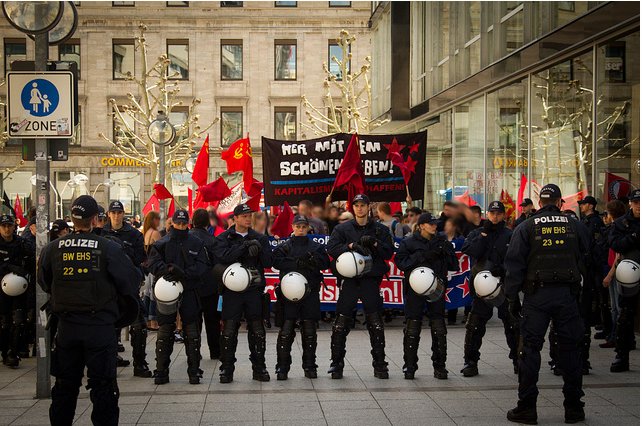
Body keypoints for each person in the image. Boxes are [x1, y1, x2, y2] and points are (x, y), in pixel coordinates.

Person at [38, 195, 141, 426]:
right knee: (103, 387)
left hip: (67, 328)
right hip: (100, 328)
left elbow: (44, 281)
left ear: (72, 219)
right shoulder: (108, 248)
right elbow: (130, 280)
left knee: (65, 386)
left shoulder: (52, 249)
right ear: (96, 219)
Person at [504, 184, 589, 424]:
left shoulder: (526, 227)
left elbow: (513, 266)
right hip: (567, 295)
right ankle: (574, 408)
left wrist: (512, 299)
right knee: (571, 350)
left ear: (539, 202)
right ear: (561, 202)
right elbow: (588, 255)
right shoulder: (575, 225)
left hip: (537, 297)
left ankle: (527, 407)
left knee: (529, 351)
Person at [326, 194, 394, 379]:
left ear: (368, 207)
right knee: (341, 323)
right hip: (349, 280)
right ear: (352, 207)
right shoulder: (343, 228)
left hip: (370, 280)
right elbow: (331, 248)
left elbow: (389, 252)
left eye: (363, 205)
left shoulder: (379, 229)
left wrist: (374, 243)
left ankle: (380, 365)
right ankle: (336, 364)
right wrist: (350, 246)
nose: (359, 208)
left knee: (375, 323)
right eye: (356, 205)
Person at [147, 209, 210, 384]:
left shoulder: (196, 242)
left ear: (188, 223)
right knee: (165, 329)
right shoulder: (162, 242)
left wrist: (184, 273)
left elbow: (203, 266)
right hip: (167, 290)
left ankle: (194, 370)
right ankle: (161, 371)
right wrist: (167, 270)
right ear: (173, 223)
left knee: (192, 331)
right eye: (178, 223)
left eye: (184, 224)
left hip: (189, 289)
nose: (181, 227)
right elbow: (151, 263)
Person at [213, 203, 273, 383]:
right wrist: (244, 247)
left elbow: (269, 261)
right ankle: (227, 369)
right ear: (235, 218)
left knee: (257, 330)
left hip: (253, 290)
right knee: (229, 330)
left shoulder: (260, 238)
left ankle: (259, 367)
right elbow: (222, 257)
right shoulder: (225, 237)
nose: (248, 218)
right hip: (232, 291)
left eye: (250, 215)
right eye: (244, 215)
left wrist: (259, 249)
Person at [394, 213, 458, 379]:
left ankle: (440, 366)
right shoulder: (409, 242)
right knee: (412, 327)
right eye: (430, 224)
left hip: (436, 288)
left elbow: (454, 265)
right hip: (415, 289)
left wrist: (446, 251)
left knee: (438, 328)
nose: (434, 226)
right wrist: (422, 256)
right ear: (422, 225)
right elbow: (401, 263)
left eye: (435, 224)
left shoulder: (442, 241)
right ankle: (409, 366)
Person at [461, 201, 518, 377]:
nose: (495, 216)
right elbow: (471, 250)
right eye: (492, 213)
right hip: (482, 287)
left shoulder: (511, 234)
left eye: (498, 213)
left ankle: (518, 360)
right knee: (475, 326)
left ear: (503, 215)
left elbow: (518, 258)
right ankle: (470, 362)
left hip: (504, 286)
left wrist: (503, 269)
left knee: (513, 324)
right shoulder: (478, 233)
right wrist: (484, 234)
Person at [272, 215, 330, 379]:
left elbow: (325, 263)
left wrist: (312, 261)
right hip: (289, 293)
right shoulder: (285, 246)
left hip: (310, 292)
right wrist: (297, 263)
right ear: (292, 227)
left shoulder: (315, 246)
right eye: (298, 226)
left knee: (309, 330)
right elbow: (275, 261)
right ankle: (282, 368)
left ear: (308, 228)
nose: (301, 229)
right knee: (286, 330)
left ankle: (310, 366)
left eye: (304, 227)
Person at [103, 201, 151, 377]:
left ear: (123, 214)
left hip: (127, 286)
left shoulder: (133, 234)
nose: (116, 216)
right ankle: (110, 359)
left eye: (119, 212)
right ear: (109, 214)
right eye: (113, 212)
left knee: (139, 325)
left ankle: (140, 363)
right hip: (107, 287)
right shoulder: (102, 233)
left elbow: (140, 258)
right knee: (108, 327)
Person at [607, 189, 640, 373]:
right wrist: (635, 237)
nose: (639, 206)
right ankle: (622, 355)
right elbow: (614, 243)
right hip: (629, 272)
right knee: (625, 315)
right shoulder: (622, 223)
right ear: (630, 203)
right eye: (636, 202)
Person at [578, 195, 608, 373]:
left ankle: (584, 359)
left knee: (591, 307)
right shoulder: (584, 222)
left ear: (590, 205)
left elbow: (597, 246)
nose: (581, 206)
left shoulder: (595, 222)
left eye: (583, 204)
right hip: (583, 271)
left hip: (591, 272)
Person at [0, 213, 34, 368]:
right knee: (4, 322)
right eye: (4, 226)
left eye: (9, 226)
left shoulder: (22, 244)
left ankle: (12, 352)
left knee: (19, 321)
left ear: (14, 227)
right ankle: (4, 350)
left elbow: (32, 260)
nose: (7, 229)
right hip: (2, 290)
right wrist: (8, 267)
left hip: (20, 289)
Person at [189, 208, 221, 360]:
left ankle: (195, 351)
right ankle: (215, 351)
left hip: (192, 286)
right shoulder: (212, 240)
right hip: (210, 286)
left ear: (193, 221)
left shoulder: (188, 238)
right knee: (212, 321)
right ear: (207, 222)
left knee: (194, 321)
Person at [599, 200, 627, 348]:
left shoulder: (618, 227)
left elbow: (619, 255)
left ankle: (617, 337)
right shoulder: (614, 227)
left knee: (617, 307)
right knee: (614, 307)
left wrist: (609, 275)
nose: (606, 216)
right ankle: (615, 335)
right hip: (613, 269)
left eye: (607, 213)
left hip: (617, 271)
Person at [142, 211, 162, 331]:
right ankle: (153, 321)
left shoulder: (146, 232)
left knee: (148, 294)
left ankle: (147, 320)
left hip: (147, 267)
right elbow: (161, 248)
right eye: (158, 219)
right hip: (154, 267)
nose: (159, 221)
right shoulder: (155, 233)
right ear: (153, 220)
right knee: (154, 294)